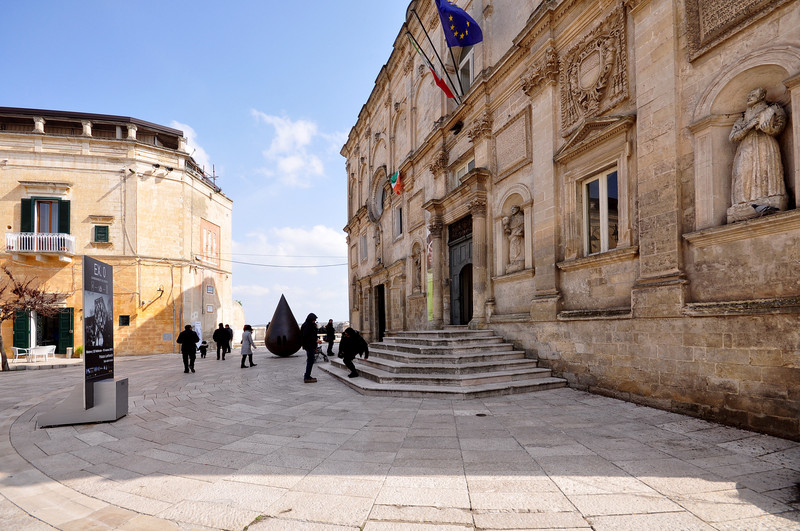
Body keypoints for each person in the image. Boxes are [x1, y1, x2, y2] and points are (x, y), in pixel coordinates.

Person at [300, 313, 319, 383]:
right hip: (309, 346)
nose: (315, 321)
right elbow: (307, 337)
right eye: (314, 320)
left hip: (310, 345)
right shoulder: (308, 326)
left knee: (310, 360)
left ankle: (307, 375)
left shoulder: (308, 325)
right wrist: (315, 340)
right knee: (310, 361)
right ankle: (307, 376)